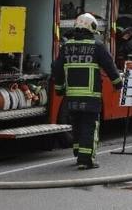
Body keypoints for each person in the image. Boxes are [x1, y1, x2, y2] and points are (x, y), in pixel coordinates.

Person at [52, 13, 122, 169]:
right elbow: (110, 66)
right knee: (89, 127)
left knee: (76, 125)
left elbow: (57, 68)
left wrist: (59, 88)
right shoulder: (97, 46)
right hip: (90, 96)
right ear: (92, 28)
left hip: (71, 97)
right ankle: (86, 160)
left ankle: (78, 153)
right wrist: (118, 84)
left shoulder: (67, 46)